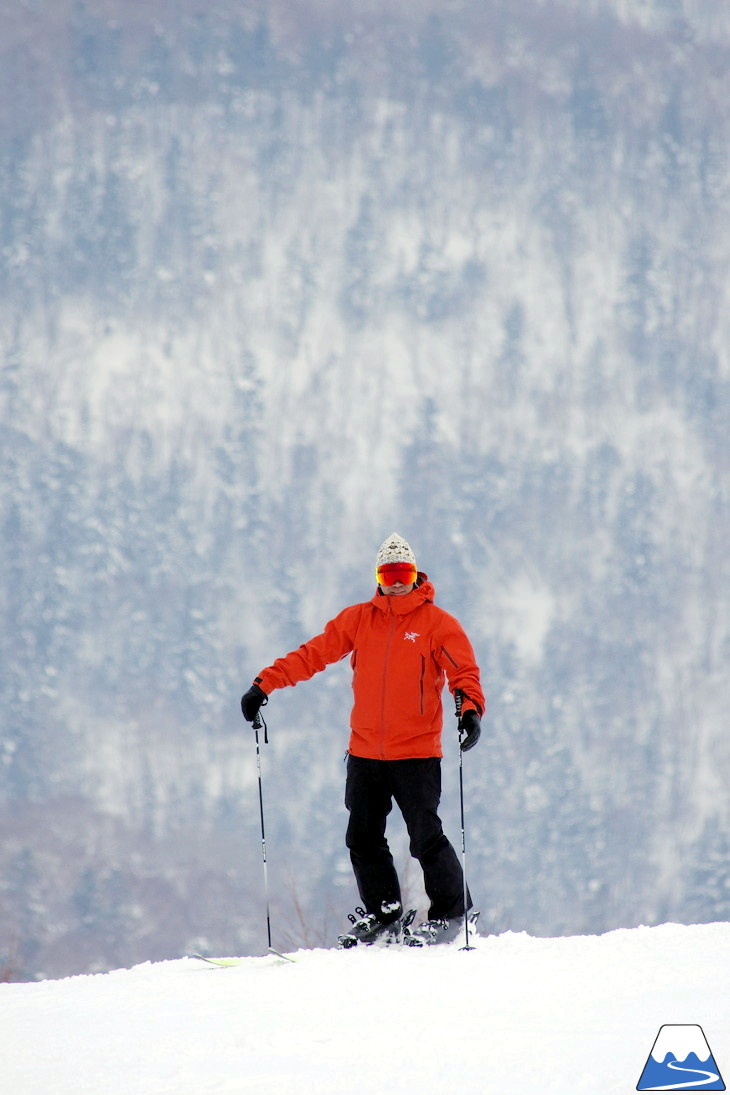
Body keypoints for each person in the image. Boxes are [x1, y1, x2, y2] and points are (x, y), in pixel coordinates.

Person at [240, 533, 485, 947]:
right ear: (377, 576)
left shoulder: (438, 624)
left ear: (415, 575)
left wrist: (470, 711)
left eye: (402, 573)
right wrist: (264, 685)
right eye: (387, 573)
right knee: (362, 837)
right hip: (366, 752)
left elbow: (464, 674)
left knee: (425, 837)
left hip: (417, 753)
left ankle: (451, 914)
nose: (395, 582)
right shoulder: (359, 619)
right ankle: (383, 913)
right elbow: (313, 654)